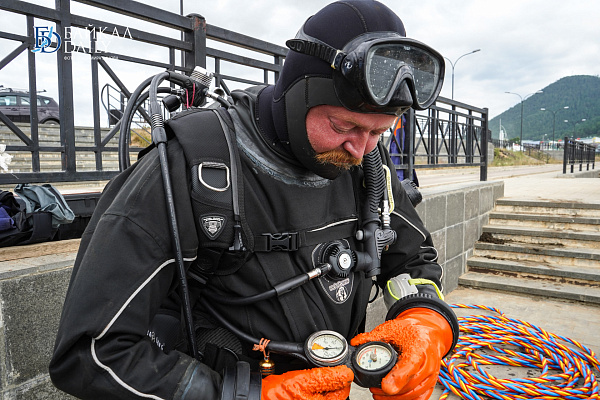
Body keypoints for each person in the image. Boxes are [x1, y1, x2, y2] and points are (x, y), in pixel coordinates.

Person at [49, 1, 459, 399]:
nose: (360, 148)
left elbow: (412, 261)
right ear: (301, 94)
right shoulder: (187, 165)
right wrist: (245, 394)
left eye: (378, 132)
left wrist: (424, 323)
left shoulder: (368, 163)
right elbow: (90, 353)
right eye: (342, 126)